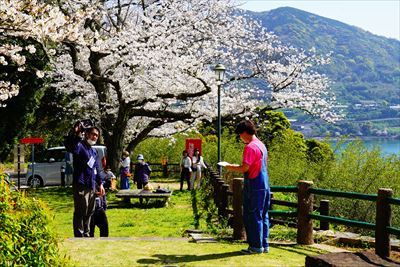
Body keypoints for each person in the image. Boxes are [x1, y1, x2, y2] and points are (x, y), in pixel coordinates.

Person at [223, 119, 270, 254]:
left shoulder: (250, 147)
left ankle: (255, 247)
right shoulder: (262, 145)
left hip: (254, 185)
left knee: (253, 216)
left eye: (240, 135)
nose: (240, 137)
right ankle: (264, 244)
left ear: (244, 132)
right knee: (263, 215)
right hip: (265, 184)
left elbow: (245, 168)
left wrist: (229, 166)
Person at [64, 121, 105, 238]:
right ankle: (79, 235)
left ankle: (87, 234)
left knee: (89, 212)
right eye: (93, 134)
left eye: (97, 135)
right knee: (81, 211)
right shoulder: (80, 146)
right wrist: (76, 133)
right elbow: (71, 145)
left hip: (91, 185)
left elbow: (96, 168)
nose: (95, 137)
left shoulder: (93, 151)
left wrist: (100, 184)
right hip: (81, 184)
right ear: (86, 134)